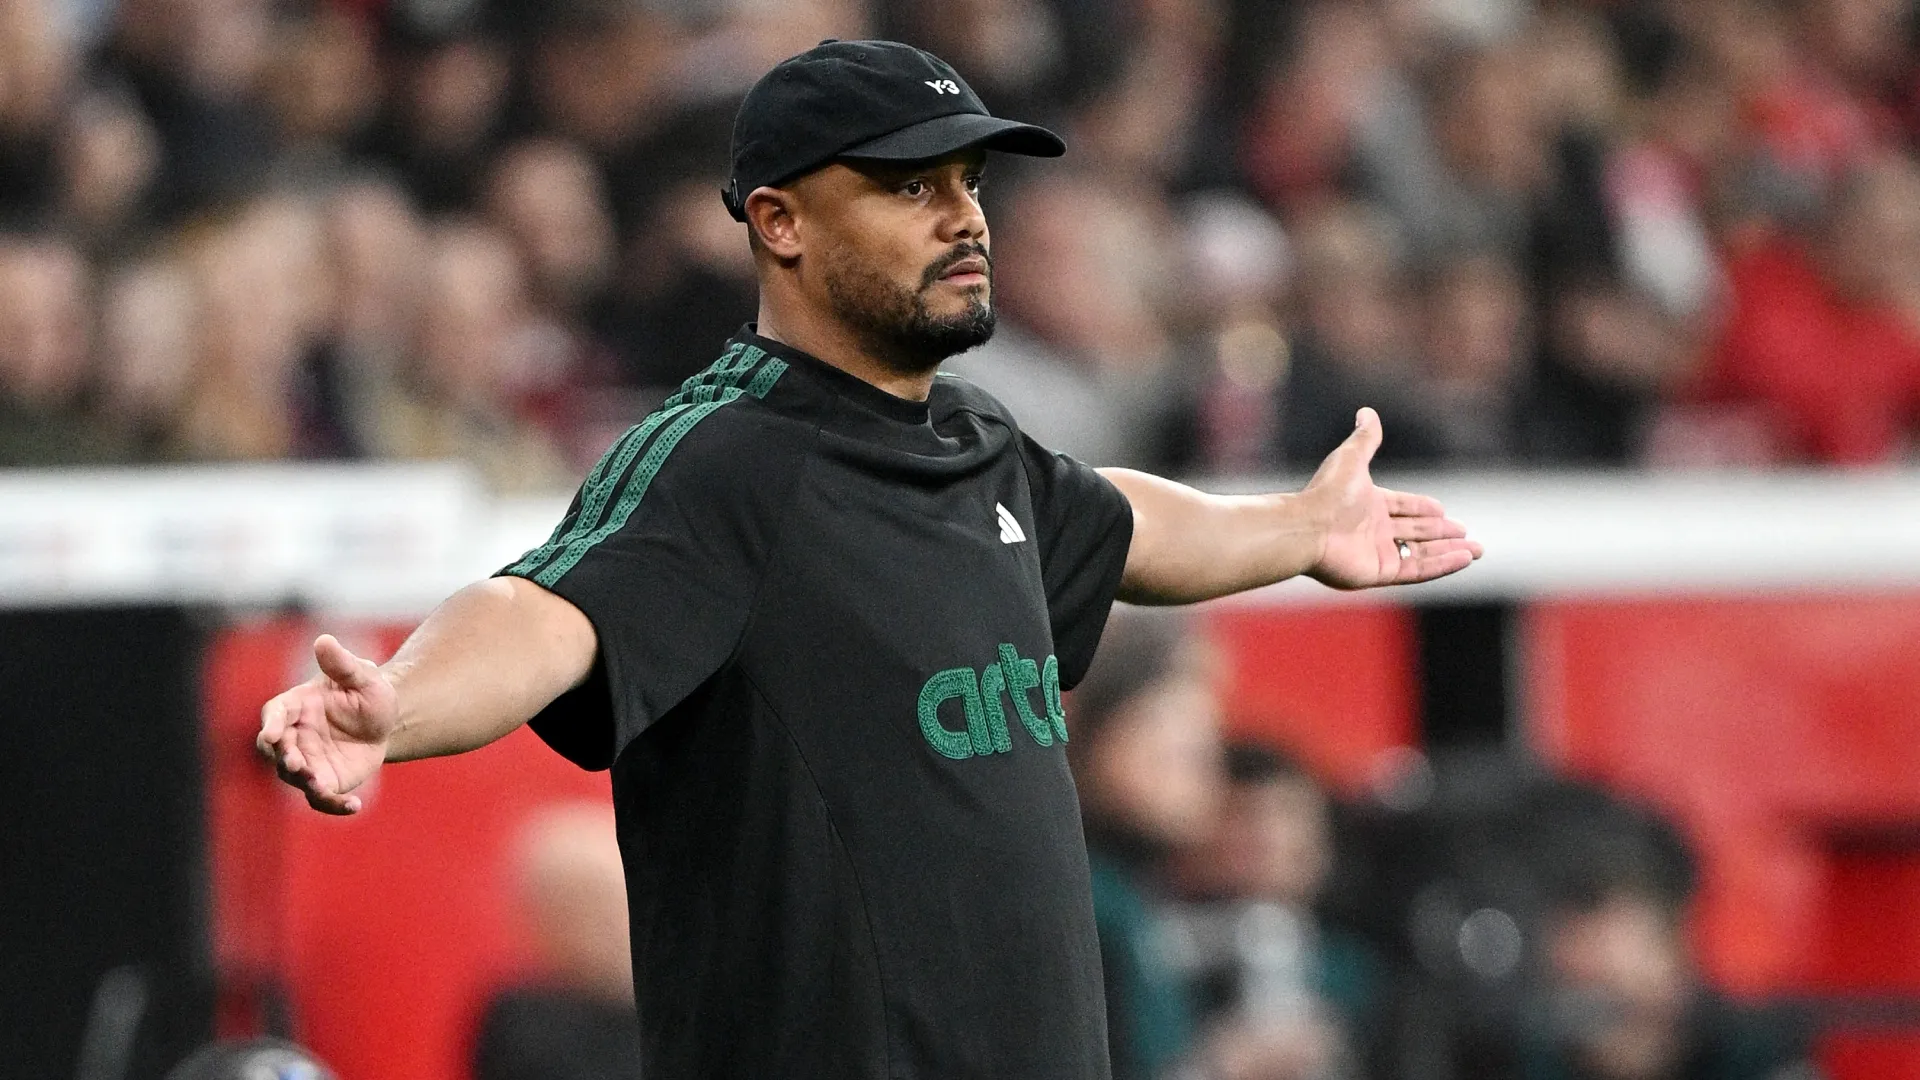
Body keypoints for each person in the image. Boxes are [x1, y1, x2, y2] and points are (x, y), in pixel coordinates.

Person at [256, 39, 1482, 1079]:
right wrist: (399, 709)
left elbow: (1123, 525)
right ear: (779, 222)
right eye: (906, 188)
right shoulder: (721, 457)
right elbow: (547, 607)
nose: (963, 217)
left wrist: (1297, 533)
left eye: (969, 181)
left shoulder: (976, 441)